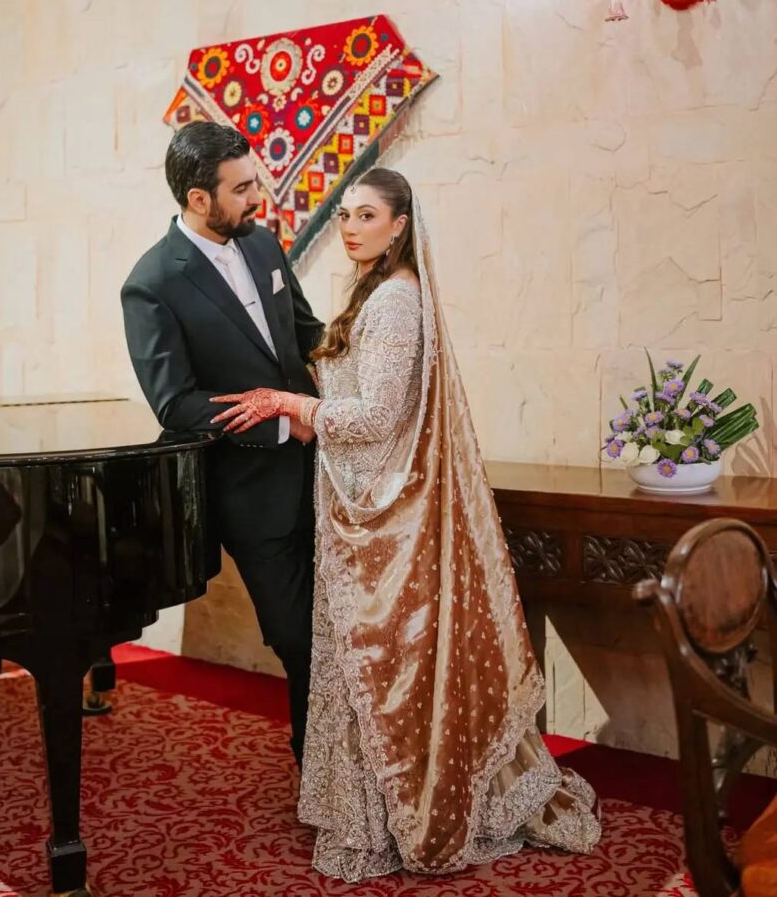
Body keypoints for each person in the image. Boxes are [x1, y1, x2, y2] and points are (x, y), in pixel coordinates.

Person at [210, 166, 601, 880]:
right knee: (379, 670)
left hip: (386, 520)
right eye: (346, 215)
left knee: (387, 670)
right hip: (364, 508)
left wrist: (288, 403)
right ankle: (383, 813)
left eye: (367, 215)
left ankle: (413, 813)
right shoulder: (373, 290)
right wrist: (298, 408)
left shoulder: (394, 299)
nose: (350, 227)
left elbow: (378, 416)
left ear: (399, 226)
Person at [121, 122, 323, 768]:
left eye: (254, 182)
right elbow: (176, 403)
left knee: (343, 630)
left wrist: (374, 361)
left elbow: (307, 334)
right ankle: (318, 774)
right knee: (299, 637)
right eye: (241, 189)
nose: (257, 197)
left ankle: (352, 773)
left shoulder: (261, 243)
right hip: (251, 494)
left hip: (326, 472)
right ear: (198, 198)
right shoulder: (152, 283)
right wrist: (282, 422)